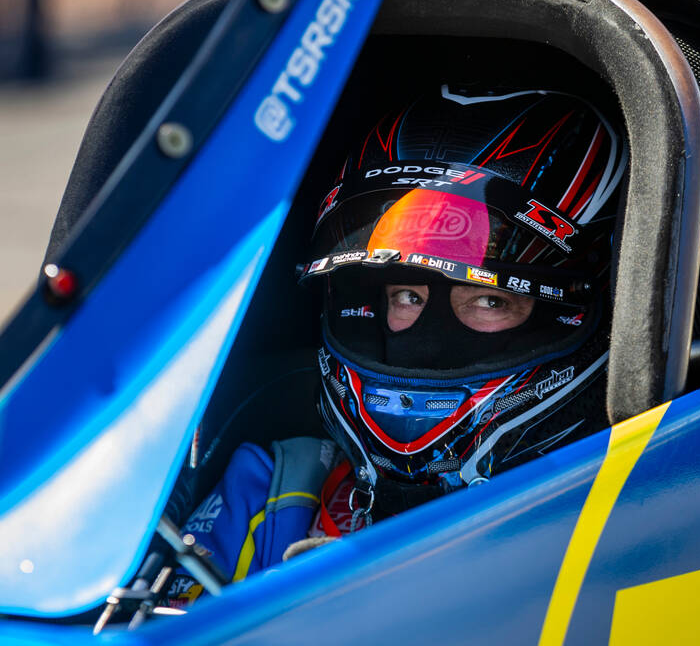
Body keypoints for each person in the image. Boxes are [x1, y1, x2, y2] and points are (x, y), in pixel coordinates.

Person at [165, 85, 628, 605]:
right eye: (407, 295)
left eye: (490, 300)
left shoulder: (632, 519)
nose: (428, 343)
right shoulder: (272, 493)